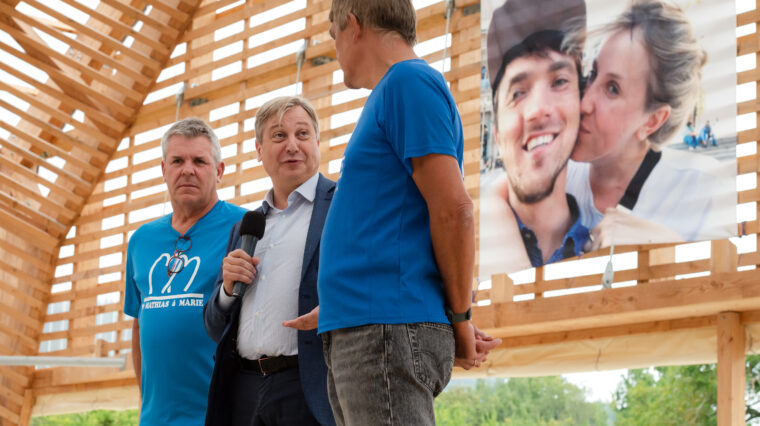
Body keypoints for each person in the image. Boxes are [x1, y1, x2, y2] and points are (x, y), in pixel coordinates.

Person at [318, 0, 500, 424]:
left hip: (383, 327)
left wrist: (460, 317)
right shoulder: (392, 91)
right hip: (362, 322)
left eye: (333, 35)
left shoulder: (408, 82)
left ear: (353, 25)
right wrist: (338, 299)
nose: (335, 50)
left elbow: (454, 209)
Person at [204, 96, 336, 426]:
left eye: (302, 134)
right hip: (244, 389)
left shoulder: (343, 206)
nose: (292, 145)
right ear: (259, 150)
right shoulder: (245, 227)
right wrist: (226, 292)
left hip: (309, 387)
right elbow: (214, 325)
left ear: (317, 142)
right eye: (279, 135)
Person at [567, 0, 734, 246]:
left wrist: (666, 249)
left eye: (612, 89)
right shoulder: (557, 176)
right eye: (592, 74)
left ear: (653, 121)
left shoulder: (704, 192)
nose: (584, 104)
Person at [123, 118, 246, 425]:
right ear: (164, 169)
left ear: (219, 171)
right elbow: (140, 327)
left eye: (199, 161)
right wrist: (146, 406)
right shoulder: (141, 241)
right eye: (177, 161)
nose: (187, 170)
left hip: (222, 416)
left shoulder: (245, 229)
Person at [479, 0, 590, 276]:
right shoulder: (459, 258)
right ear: (497, 135)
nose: (538, 110)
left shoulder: (612, 250)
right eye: (518, 93)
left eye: (559, 81)